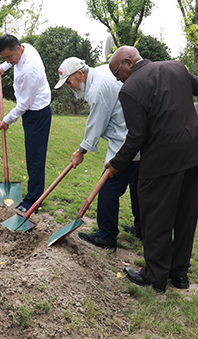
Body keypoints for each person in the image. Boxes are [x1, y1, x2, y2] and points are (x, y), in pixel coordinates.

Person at [106, 46, 198, 293]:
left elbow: (137, 137)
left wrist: (115, 164)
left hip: (163, 159)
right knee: (186, 215)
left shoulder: (130, 90)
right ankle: (179, 274)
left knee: (155, 216)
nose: (117, 78)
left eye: (116, 72)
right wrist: (184, 72)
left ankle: (155, 276)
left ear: (128, 62)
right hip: (195, 152)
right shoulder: (175, 67)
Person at [55, 57, 141, 251]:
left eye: (69, 82)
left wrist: (81, 151)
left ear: (80, 74)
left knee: (108, 188)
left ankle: (107, 236)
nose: (70, 87)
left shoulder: (97, 89)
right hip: (136, 138)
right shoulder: (101, 72)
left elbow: (96, 123)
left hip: (126, 143)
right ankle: (142, 229)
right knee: (138, 187)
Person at [0, 34, 52, 213]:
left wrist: (7, 120)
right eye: (4, 58)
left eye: (9, 57)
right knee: (33, 156)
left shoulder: (29, 69)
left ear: (18, 49)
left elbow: (24, 105)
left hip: (36, 114)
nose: (8, 60)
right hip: (32, 110)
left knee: (35, 159)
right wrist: (3, 67)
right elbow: (11, 60)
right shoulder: (24, 48)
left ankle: (33, 202)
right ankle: (35, 197)